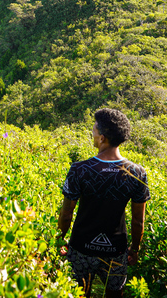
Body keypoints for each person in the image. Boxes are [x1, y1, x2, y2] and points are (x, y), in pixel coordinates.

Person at [58, 108, 150, 297]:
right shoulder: (137, 173)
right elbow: (138, 221)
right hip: (116, 250)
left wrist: (60, 240)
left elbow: (66, 214)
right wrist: (135, 249)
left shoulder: (79, 169)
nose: (92, 134)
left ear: (102, 138)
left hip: (81, 248)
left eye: (94, 131)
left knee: (78, 293)